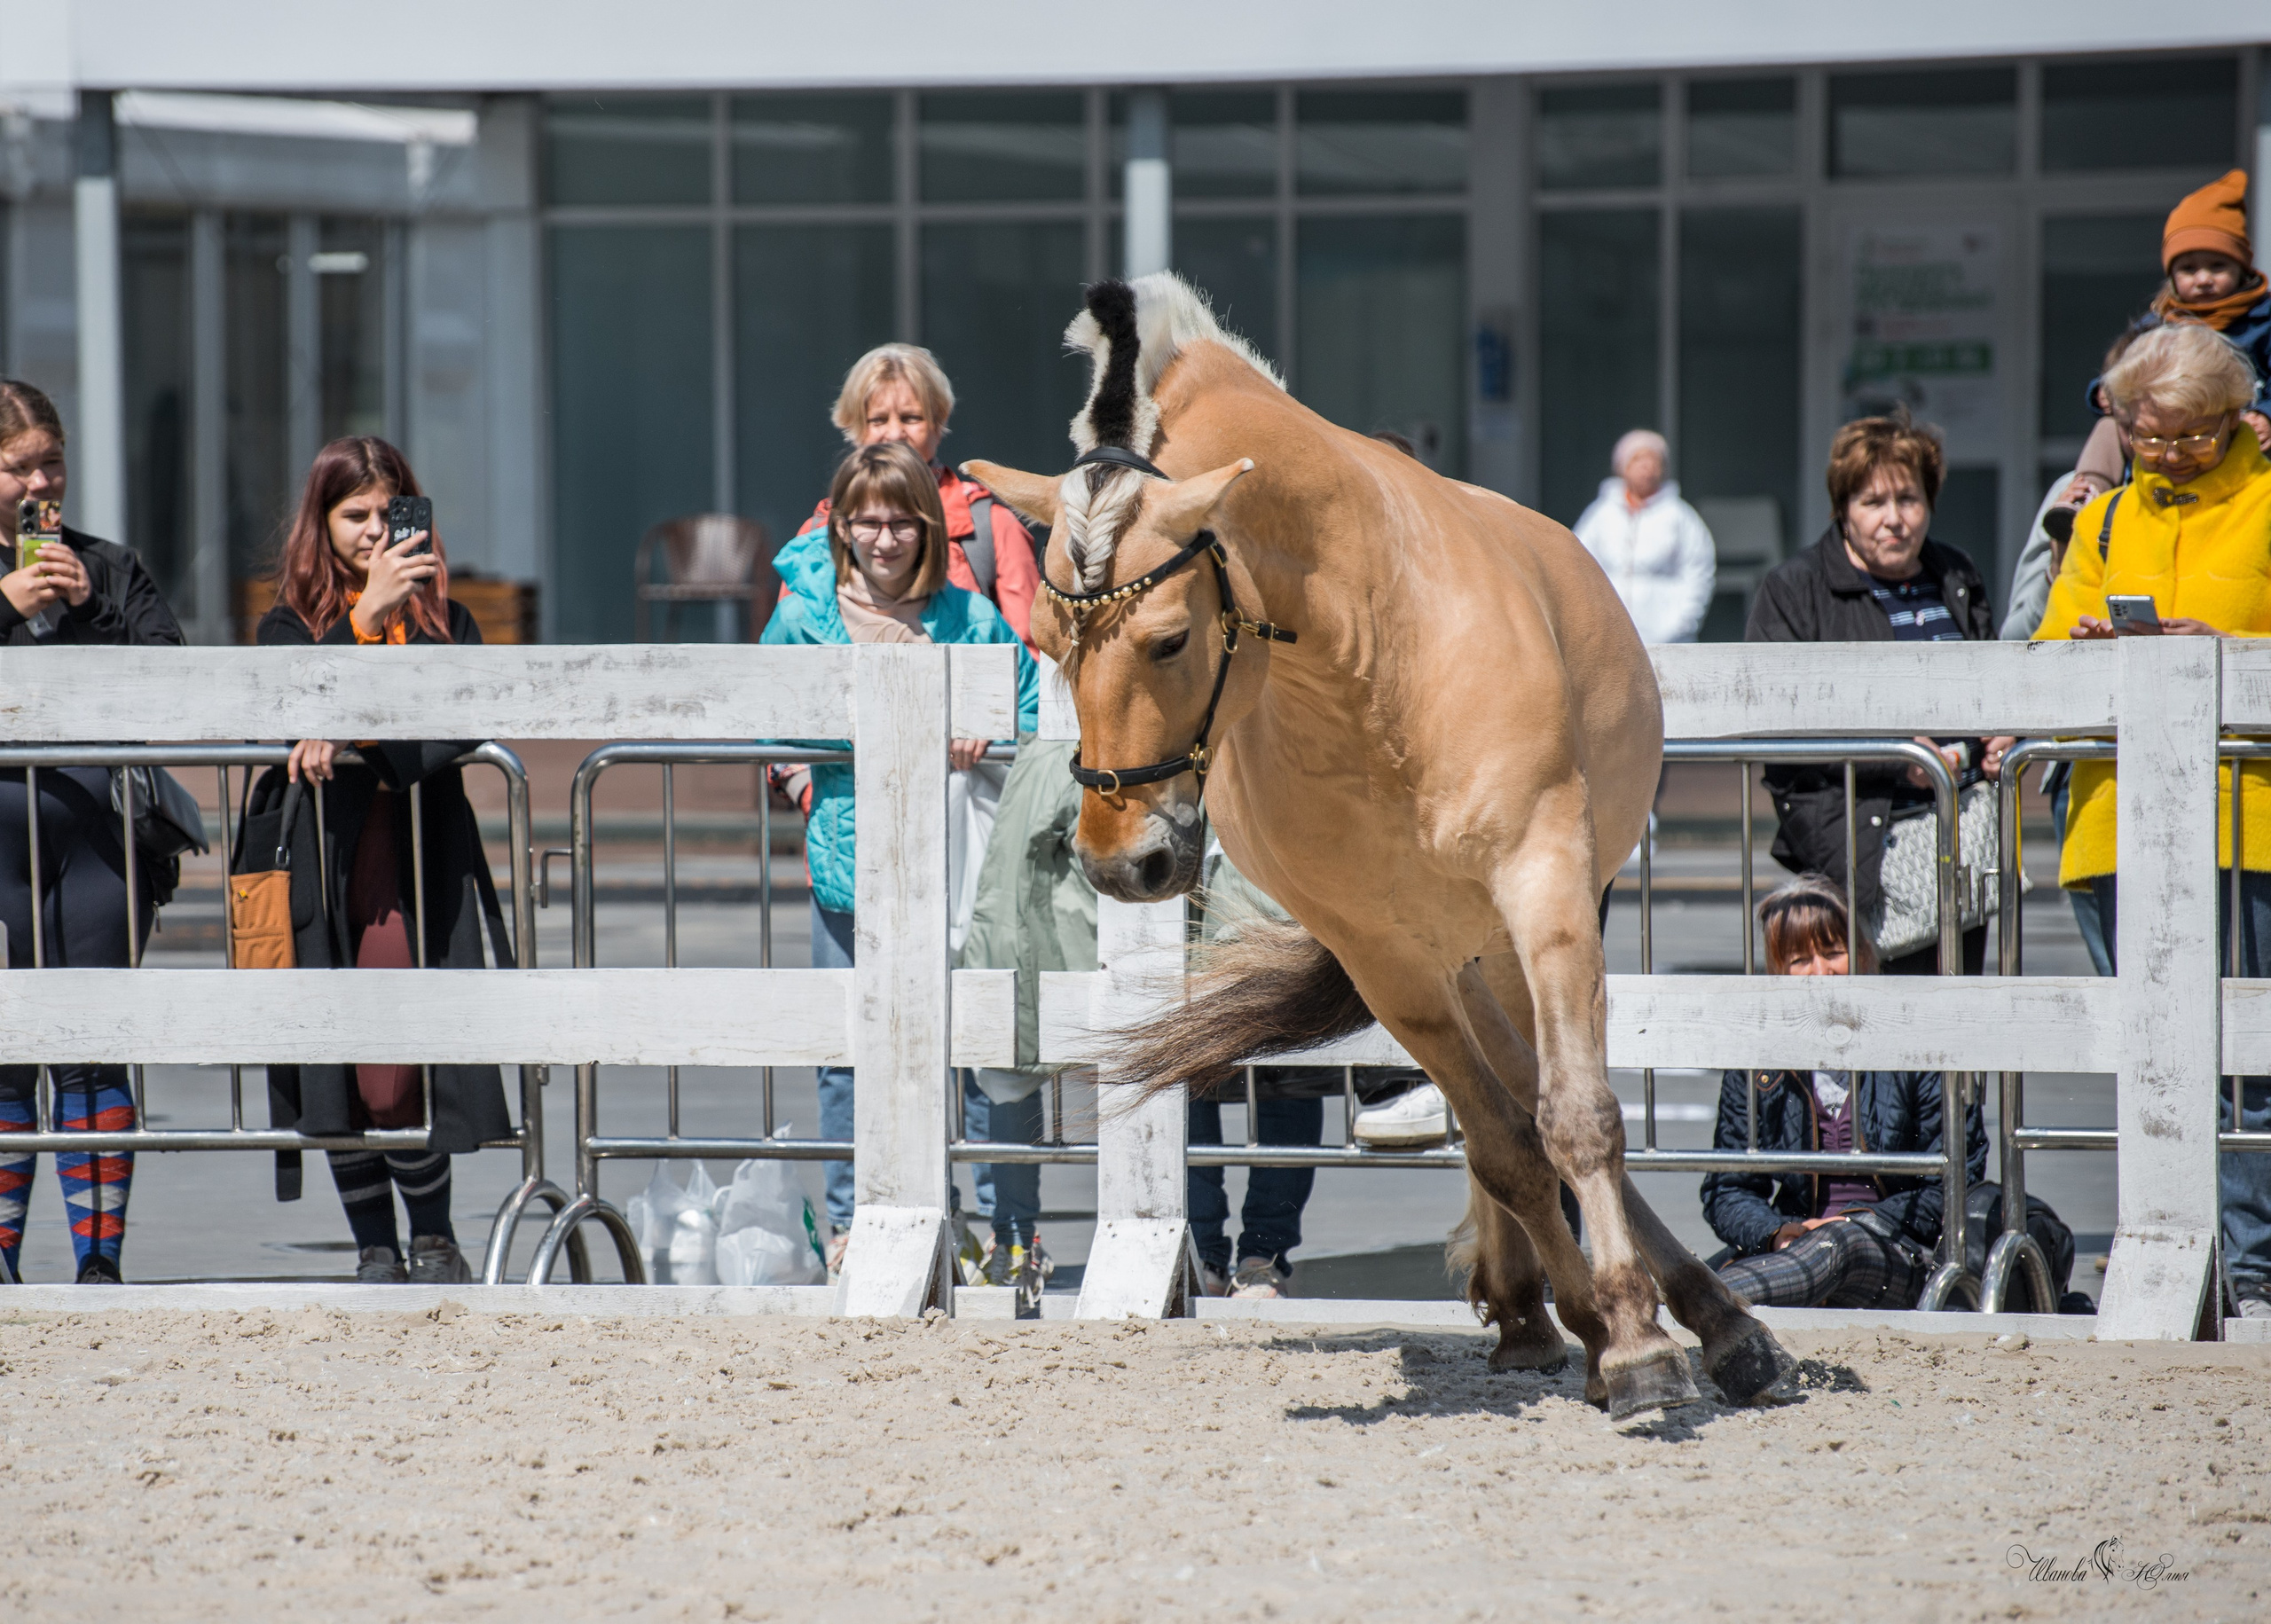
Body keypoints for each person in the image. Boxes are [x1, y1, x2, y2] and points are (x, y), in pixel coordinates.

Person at [2031, 319, 2271, 1318]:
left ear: (2232, 420)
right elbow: (2039, 655)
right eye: (2145, 432)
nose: (2165, 452)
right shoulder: (2101, 522)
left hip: (2243, 818)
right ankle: (2162, 1245)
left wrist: (2227, 647)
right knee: (2144, 1057)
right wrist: (2082, 643)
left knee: (2244, 1066)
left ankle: (2249, 1268)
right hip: (2108, 821)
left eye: (2186, 434)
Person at [763, 441, 1038, 1273]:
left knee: (984, 1042)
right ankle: (858, 1220)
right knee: (849, 1051)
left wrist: (985, 735)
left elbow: (1026, 703)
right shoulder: (804, 615)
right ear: (841, 526)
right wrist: (884, 731)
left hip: (960, 869)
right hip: (851, 865)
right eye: (868, 522)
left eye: (903, 522)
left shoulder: (969, 614)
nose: (885, 540)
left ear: (930, 527)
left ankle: (1012, 1226)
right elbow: (774, 716)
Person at [253, 436, 515, 1285]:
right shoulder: (289, 620)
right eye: (353, 515)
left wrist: (356, 722)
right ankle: (373, 1240)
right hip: (326, 860)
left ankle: (433, 1234)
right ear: (321, 524)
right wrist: (361, 623)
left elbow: (449, 728)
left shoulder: (446, 617)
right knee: (334, 1062)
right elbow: (280, 709)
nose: (372, 532)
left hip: (417, 854)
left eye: (385, 511)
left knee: (398, 1059)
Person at [0, 379, 185, 1283]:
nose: (40, 483)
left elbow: (172, 680)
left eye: (52, 463)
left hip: (93, 836)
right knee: (3, 1058)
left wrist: (84, 610)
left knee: (91, 1042)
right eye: (18, 466)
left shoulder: (108, 564)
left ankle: (99, 1264)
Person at [1744, 409, 2008, 974]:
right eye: (1872, 502)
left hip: (1960, 838)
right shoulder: (1794, 588)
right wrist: (1896, 757)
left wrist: (2003, 732)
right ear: (1843, 509)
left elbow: (1991, 679)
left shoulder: (1955, 572)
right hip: (1858, 848)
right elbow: (1776, 719)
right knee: (1871, 1031)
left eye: (1908, 500)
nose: (1895, 520)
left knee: (1958, 1023)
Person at [1701, 876, 1989, 1311]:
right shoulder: (1761, 1062)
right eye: (1800, 959)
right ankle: (1698, 1309)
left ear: (1863, 954)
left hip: (1900, 1249)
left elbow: (1957, 1177)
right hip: (1797, 1244)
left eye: (1834, 953)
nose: (1822, 972)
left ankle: (1712, 1310)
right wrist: (1777, 1232)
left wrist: (1859, 1221)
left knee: (1837, 1245)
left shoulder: (1914, 1042)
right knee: (1698, 1273)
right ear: (1778, 972)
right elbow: (1728, 1190)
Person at [2041, 169, 2271, 543]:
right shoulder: (2159, 322)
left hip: (2232, 441)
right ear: (2171, 275)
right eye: (2188, 268)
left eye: (2218, 266)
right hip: (2162, 446)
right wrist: (2105, 391)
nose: (2203, 279)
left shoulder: (2262, 322)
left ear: (2243, 270)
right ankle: (2086, 493)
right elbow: (2126, 369)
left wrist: (2266, 414)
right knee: (2110, 424)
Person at [801, 343, 1041, 653]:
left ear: (939, 423)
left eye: (911, 418)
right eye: (878, 420)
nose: (895, 433)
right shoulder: (819, 530)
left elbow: (1029, 657)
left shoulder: (992, 527)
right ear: (855, 429)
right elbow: (790, 656)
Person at [1572, 428, 1717, 645]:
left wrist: (1682, 625)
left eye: (1654, 460)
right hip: (1609, 639)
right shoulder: (1600, 515)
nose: (1647, 467)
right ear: (1622, 466)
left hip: (1669, 642)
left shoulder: (1680, 516)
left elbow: (1699, 572)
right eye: (1638, 459)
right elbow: (1577, 565)